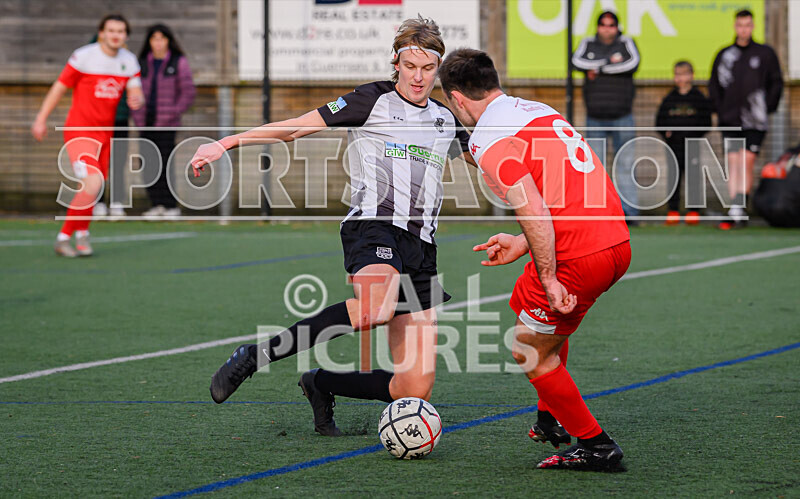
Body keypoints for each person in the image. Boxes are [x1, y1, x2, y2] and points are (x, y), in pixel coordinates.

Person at [190, 17, 472, 436]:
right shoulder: (371, 100)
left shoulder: (445, 119)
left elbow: (489, 161)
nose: (418, 77)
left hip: (421, 247)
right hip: (373, 227)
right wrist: (225, 142)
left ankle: (320, 383)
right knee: (376, 307)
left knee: (414, 388)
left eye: (427, 68)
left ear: (438, 69)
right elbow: (295, 128)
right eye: (410, 66)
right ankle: (254, 356)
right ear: (396, 63)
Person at [439, 48, 630, 471]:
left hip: (579, 252)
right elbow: (564, 195)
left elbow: (535, 209)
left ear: (457, 99)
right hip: (615, 240)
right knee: (535, 319)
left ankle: (596, 446)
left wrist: (549, 276)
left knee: (528, 349)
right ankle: (550, 417)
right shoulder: (536, 110)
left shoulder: (489, 138)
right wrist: (524, 243)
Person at [31, 14, 143, 257]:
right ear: (101, 33)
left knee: (93, 186)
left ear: (126, 35)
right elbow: (59, 87)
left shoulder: (129, 61)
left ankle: (82, 234)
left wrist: (137, 99)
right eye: (111, 30)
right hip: (80, 131)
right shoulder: (84, 57)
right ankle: (63, 238)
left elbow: (136, 92)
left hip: (105, 133)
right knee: (93, 183)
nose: (115, 35)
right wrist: (41, 118)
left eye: (120, 31)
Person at [709, 9, 783, 230]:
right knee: (733, 162)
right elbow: (714, 85)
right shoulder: (725, 55)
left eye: (747, 25)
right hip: (730, 120)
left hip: (755, 123)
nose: (744, 29)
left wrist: (766, 108)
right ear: (735, 26)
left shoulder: (765, 54)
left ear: (753, 26)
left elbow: (776, 83)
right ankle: (736, 209)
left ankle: (740, 205)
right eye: (740, 25)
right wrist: (721, 110)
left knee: (746, 161)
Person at [572, 10, 640, 223]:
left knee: (625, 164)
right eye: (603, 24)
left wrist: (599, 68)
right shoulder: (587, 43)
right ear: (598, 27)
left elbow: (632, 63)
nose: (607, 29)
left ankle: (629, 212)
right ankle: (597, 213)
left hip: (623, 116)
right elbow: (576, 62)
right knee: (594, 166)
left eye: (611, 25)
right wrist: (609, 63)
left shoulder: (626, 43)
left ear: (617, 27)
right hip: (595, 117)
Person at [132, 24, 196, 220]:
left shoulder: (178, 62)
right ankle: (156, 204)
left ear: (168, 40)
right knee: (147, 164)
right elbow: (133, 91)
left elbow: (188, 92)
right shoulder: (141, 63)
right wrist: (137, 114)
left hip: (167, 124)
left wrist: (173, 112)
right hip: (145, 123)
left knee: (165, 164)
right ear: (149, 41)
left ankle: (170, 205)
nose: (158, 43)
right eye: (154, 39)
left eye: (162, 38)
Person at [655, 61, 712, 225]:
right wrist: (668, 135)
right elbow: (659, 122)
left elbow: (707, 122)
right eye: (677, 75)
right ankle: (673, 210)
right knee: (674, 176)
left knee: (693, 176)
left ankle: (694, 211)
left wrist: (695, 135)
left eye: (684, 74)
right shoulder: (669, 98)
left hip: (692, 144)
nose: (680, 78)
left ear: (691, 75)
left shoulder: (698, 98)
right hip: (673, 145)